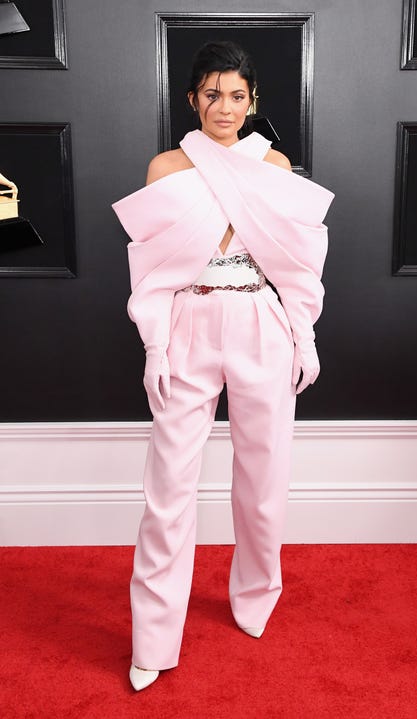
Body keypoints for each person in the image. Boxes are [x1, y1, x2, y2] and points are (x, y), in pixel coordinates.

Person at [112, 40, 334, 692]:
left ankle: (256, 596)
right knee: (168, 492)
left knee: (264, 478)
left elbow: (296, 261)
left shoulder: (275, 165)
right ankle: (153, 637)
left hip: (261, 323)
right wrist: (155, 342)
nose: (224, 106)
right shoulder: (166, 168)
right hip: (189, 324)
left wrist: (305, 335)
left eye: (237, 94)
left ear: (252, 100)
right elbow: (149, 272)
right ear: (192, 98)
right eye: (212, 93)